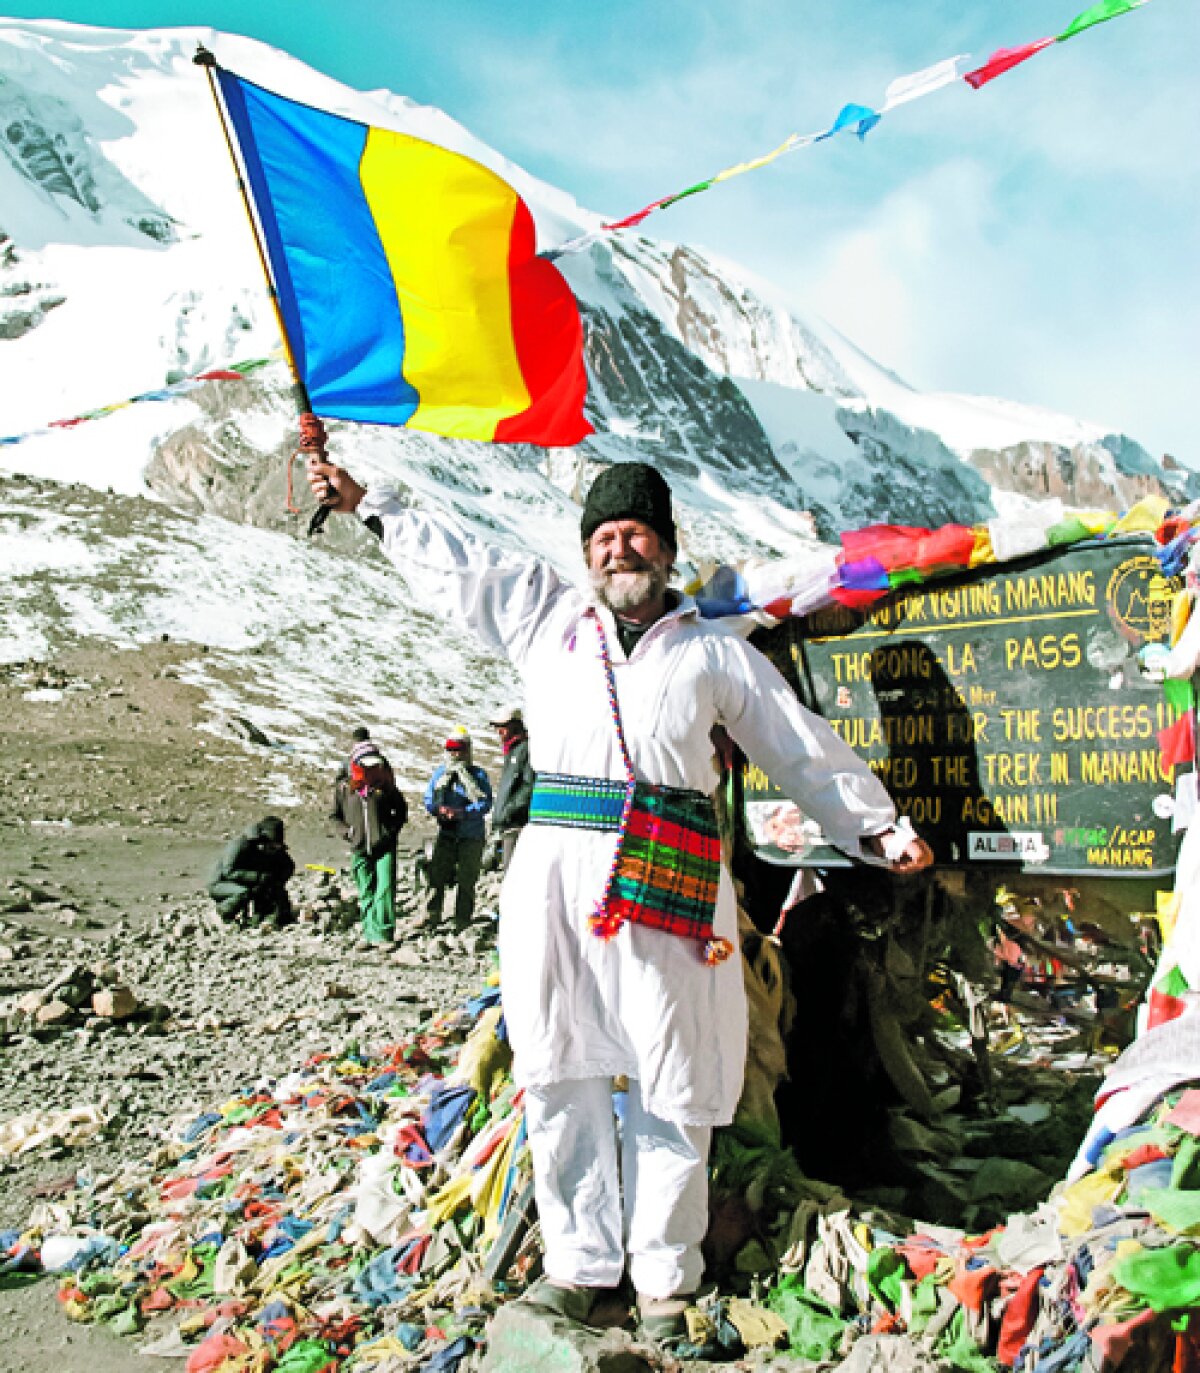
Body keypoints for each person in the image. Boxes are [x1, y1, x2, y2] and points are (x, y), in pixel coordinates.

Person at [306, 447, 932, 1339]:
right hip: (556, 883)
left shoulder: (718, 651)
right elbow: (457, 563)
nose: (617, 549)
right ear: (585, 550)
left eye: (635, 532)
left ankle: (667, 1281)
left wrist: (876, 825)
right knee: (560, 1071)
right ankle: (579, 1266)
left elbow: (795, 743)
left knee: (676, 1082)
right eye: (602, 535)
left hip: (674, 880)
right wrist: (373, 505)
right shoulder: (546, 617)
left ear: (667, 549)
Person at [332, 729, 409, 945]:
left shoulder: (384, 786)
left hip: (384, 846)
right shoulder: (344, 788)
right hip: (358, 846)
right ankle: (368, 931)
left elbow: (401, 811)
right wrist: (347, 832)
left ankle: (383, 934)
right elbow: (334, 816)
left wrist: (389, 832)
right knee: (366, 891)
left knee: (384, 889)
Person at [423, 730, 492, 928]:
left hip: (471, 835)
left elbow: (485, 802)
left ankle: (462, 919)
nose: (454, 754)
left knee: (467, 878)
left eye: (458, 749)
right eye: (450, 749)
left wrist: (463, 812)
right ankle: (432, 914)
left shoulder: (478, 775)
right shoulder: (440, 774)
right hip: (447, 833)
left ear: (467, 750)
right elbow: (429, 798)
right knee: (436, 875)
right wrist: (439, 809)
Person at [207, 816, 296, 927]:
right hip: (220, 883)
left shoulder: (269, 850)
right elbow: (228, 871)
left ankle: (261, 918)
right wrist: (258, 877)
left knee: (267, 889)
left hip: (243, 880)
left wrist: (276, 883)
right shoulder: (240, 845)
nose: (273, 851)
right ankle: (221, 914)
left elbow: (288, 865)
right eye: (271, 847)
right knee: (243, 893)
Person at [488, 705, 536, 873]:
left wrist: (509, 810)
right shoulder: (513, 752)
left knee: (514, 875)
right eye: (497, 727)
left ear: (515, 725)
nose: (499, 731)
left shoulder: (525, 750)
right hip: (508, 825)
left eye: (502, 726)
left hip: (517, 825)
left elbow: (528, 786)